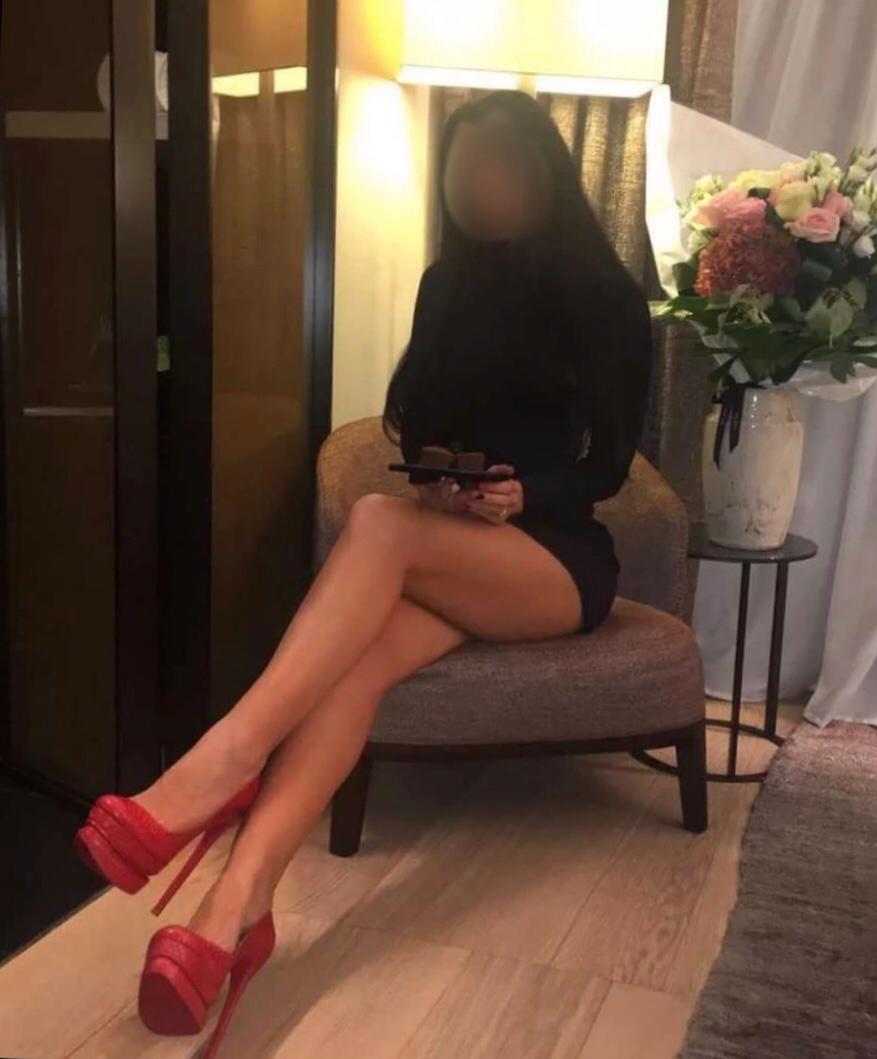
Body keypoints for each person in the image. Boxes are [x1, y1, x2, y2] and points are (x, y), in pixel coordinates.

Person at [73, 88, 653, 1056]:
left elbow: (610, 465)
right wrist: (448, 479)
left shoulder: (606, 298)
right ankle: (233, 910)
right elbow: (415, 425)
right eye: (462, 172)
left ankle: (223, 761)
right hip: (455, 543)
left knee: (378, 524)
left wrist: (525, 493)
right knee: (358, 661)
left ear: (542, 173)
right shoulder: (445, 283)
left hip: (556, 560)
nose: (479, 186)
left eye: (499, 167)